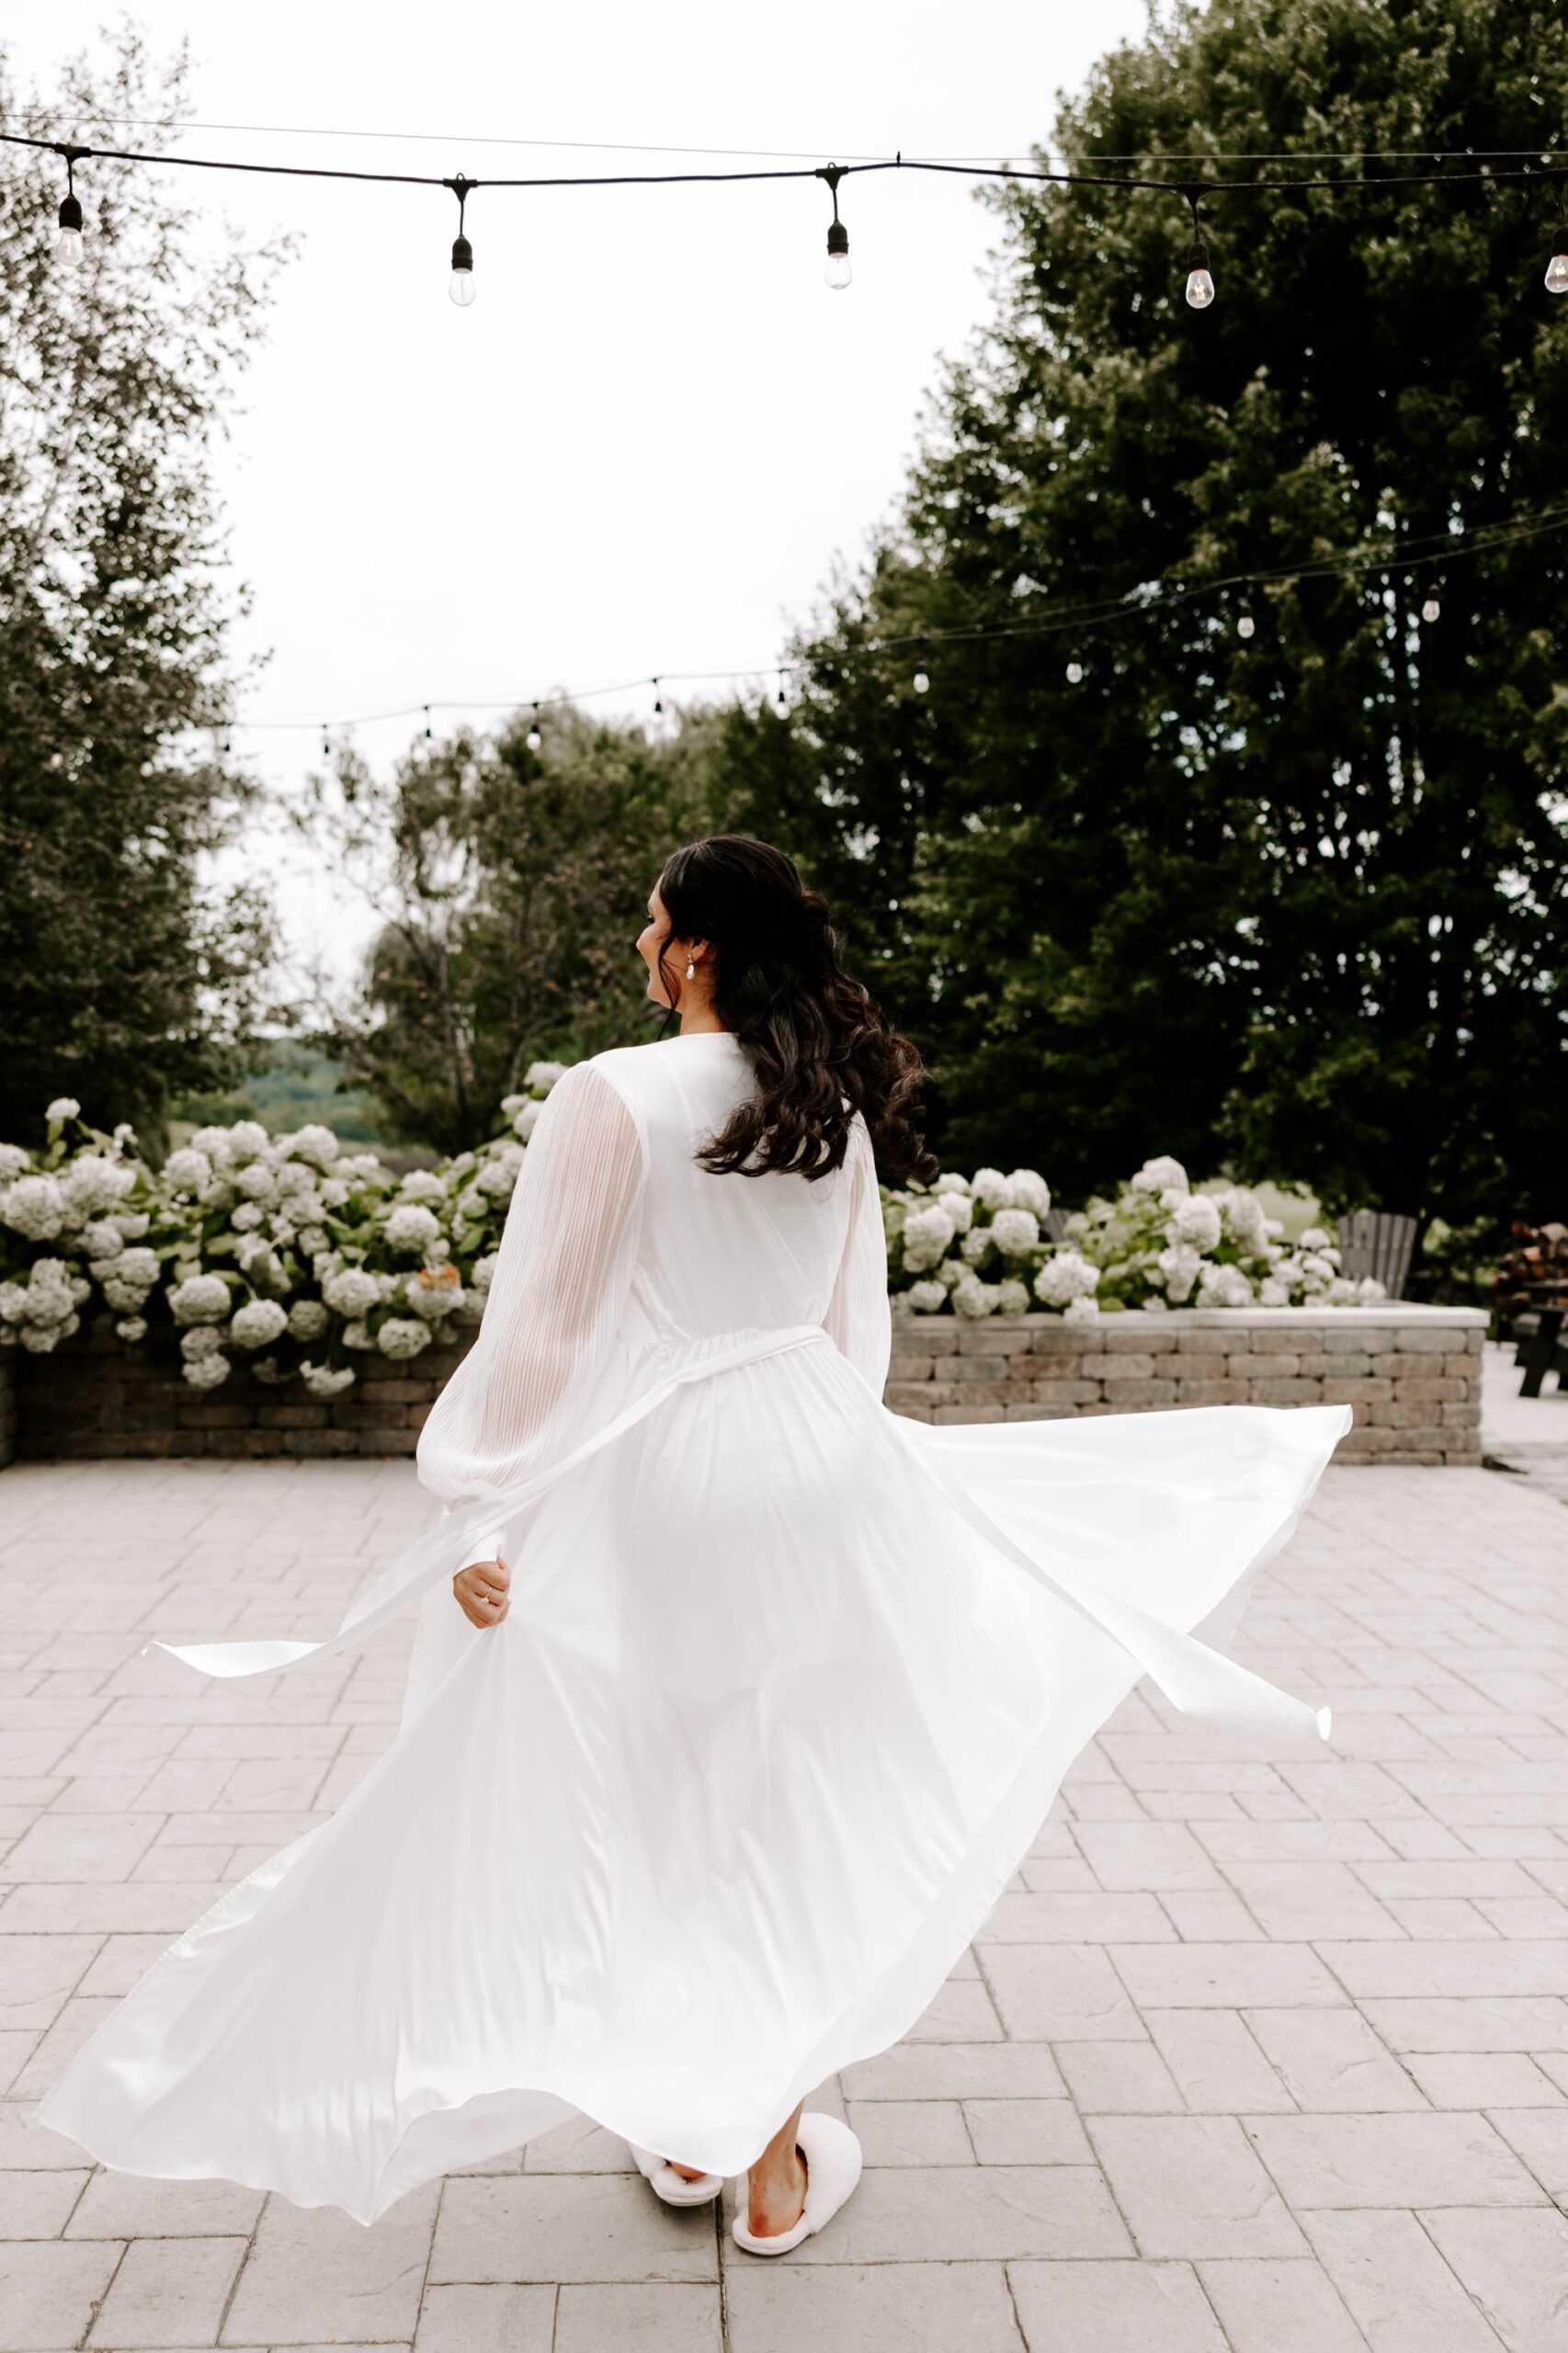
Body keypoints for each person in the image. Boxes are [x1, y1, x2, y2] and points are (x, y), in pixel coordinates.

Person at [29, 833, 1349, 2254]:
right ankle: (746, 2154)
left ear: (697, 946)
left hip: (673, 1475)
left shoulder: (609, 1096)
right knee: (774, 1798)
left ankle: (702, 2137)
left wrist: (477, 1500)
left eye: (649, 921)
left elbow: (538, 1336)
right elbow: (852, 1328)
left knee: (651, 1791)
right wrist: (844, 1468)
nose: (636, 944)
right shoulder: (823, 1099)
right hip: (818, 1457)